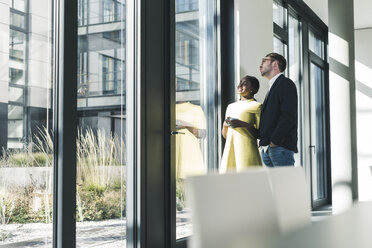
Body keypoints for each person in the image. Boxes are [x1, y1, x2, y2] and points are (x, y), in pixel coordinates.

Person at [259, 52, 298, 167]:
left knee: (285, 185)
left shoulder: (286, 83)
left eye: (264, 61)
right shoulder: (273, 85)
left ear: (275, 64)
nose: (260, 65)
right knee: (275, 185)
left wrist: (275, 141)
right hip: (268, 149)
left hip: (280, 148)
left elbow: (288, 116)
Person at [220, 75, 262, 173]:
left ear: (252, 89)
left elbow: (260, 134)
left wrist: (242, 124)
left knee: (248, 182)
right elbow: (226, 135)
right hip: (231, 150)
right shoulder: (230, 106)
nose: (240, 85)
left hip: (247, 151)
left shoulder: (257, 106)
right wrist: (225, 125)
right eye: (240, 83)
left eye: (245, 84)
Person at [175, 102, 206, 179]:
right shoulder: (166, 108)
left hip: (189, 155)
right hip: (173, 153)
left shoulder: (196, 109)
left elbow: (202, 134)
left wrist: (186, 125)